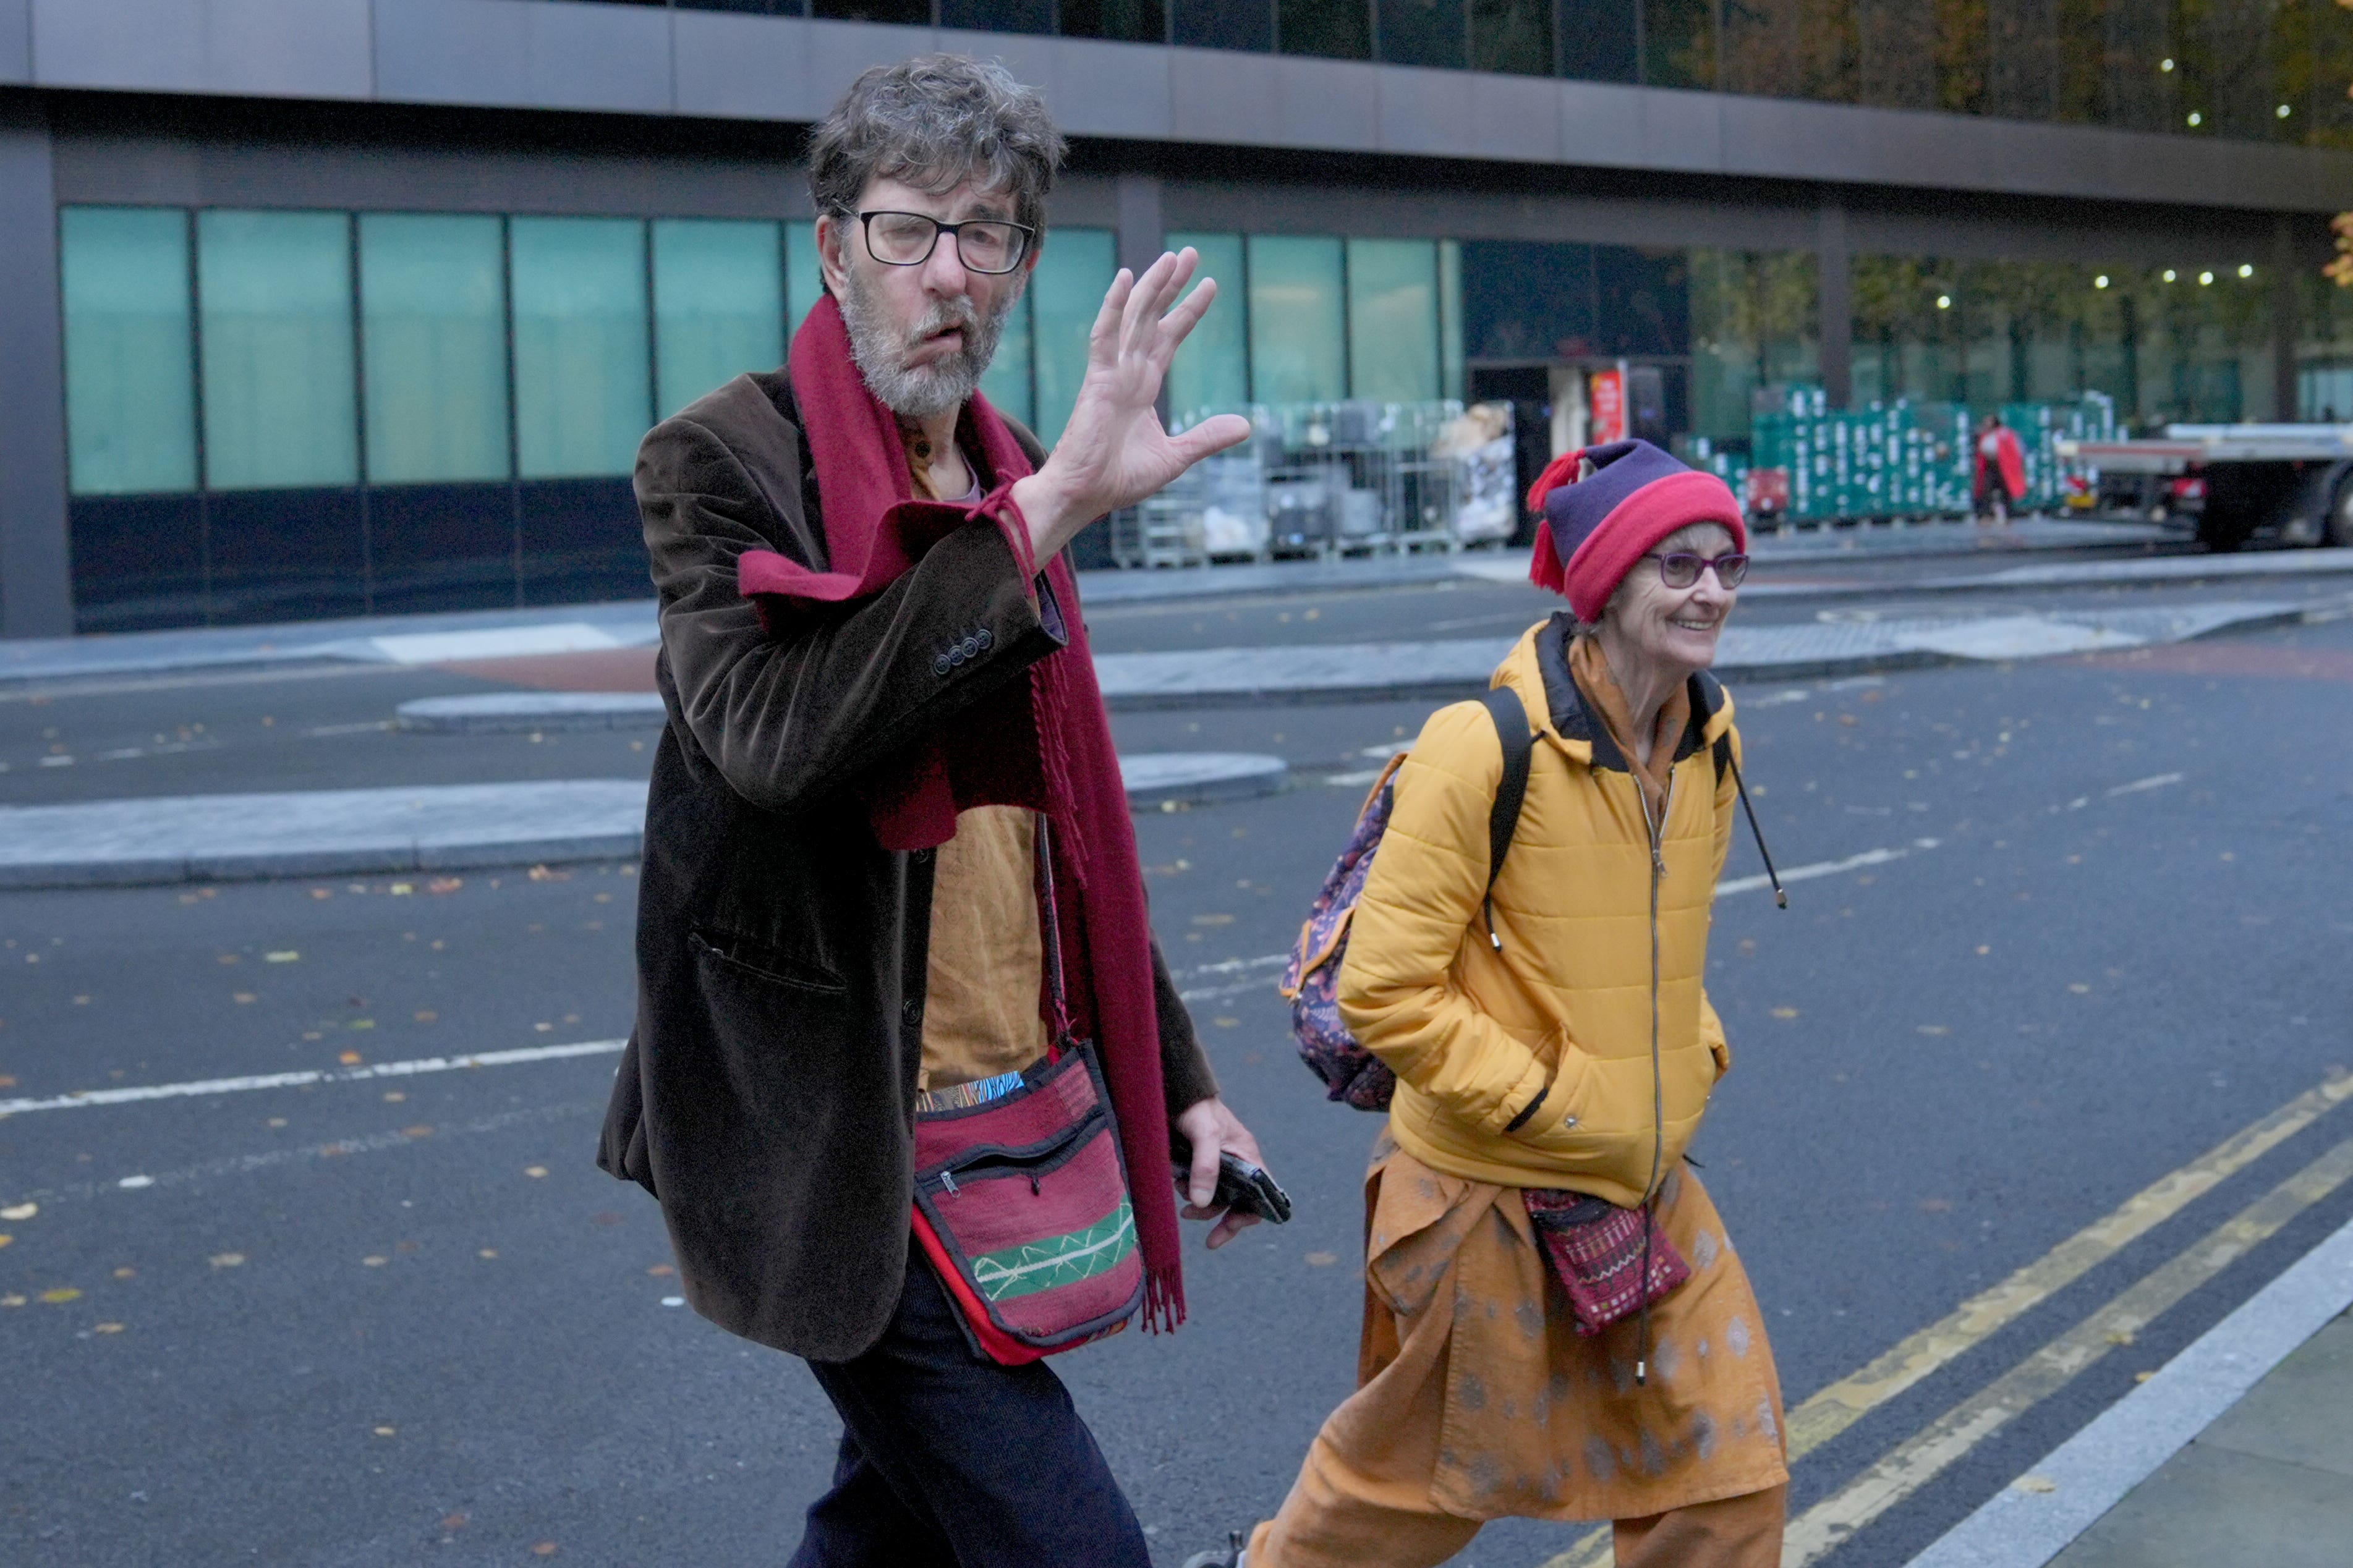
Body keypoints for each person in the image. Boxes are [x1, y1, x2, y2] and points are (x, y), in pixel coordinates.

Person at [597, 54, 1270, 1567]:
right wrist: (1044, 518)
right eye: (909, 231)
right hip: (828, 1122)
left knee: (887, 1526)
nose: (948, 274)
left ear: (1023, 264)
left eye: (990, 234)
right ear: (835, 245)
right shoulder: (720, 463)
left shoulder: (1012, 469)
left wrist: (1176, 1078)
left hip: (1003, 1104)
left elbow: (1055, 835)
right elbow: (776, 739)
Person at [1192, 440, 1787, 1568]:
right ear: (1605, 581)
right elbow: (1385, 988)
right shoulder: (1482, 748)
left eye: (1727, 564)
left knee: (1726, 1483)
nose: (1711, 589)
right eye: (1678, 564)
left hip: (1643, 1183)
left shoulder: (1711, 744)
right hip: (1482, 1194)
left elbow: (1655, 952)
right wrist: (1554, 1102)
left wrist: (1686, 1054)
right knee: (1410, 1497)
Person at [1974, 413, 2026, 525]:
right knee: (1986, 491)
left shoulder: (2004, 433)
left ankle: (2008, 515)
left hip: (2002, 466)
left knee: (2006, 492)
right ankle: (1986, 515)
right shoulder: (1984, 435)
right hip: (1989, 466)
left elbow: (2013, 449)